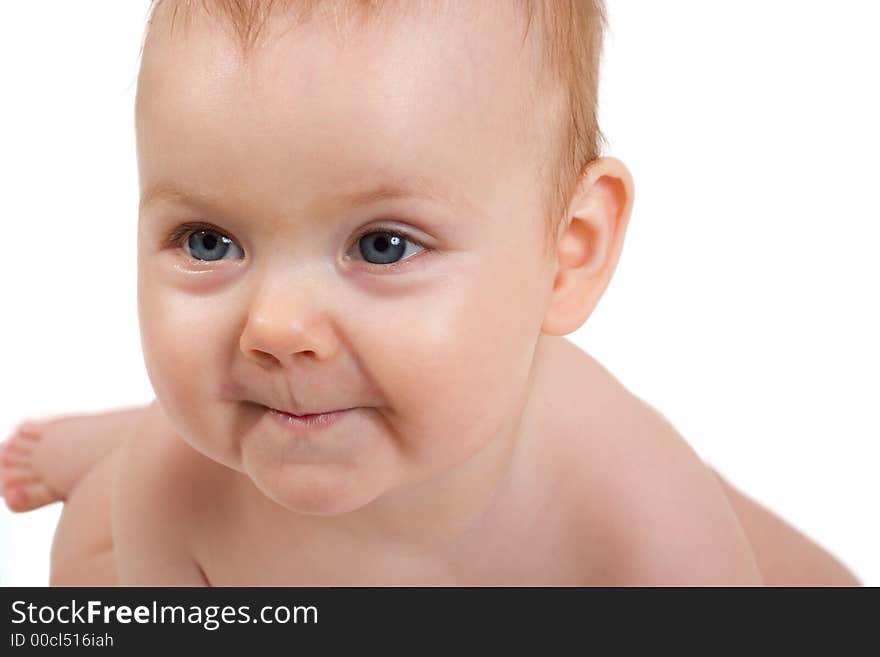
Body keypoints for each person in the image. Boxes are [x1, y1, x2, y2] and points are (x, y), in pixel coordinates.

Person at [0, 0, 862, 586]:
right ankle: (115, 440)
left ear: (567, 253)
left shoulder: (629, 502)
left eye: (382, 246)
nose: (277, 326)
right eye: (208, 241)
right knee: (85, 565)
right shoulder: (170, 495)